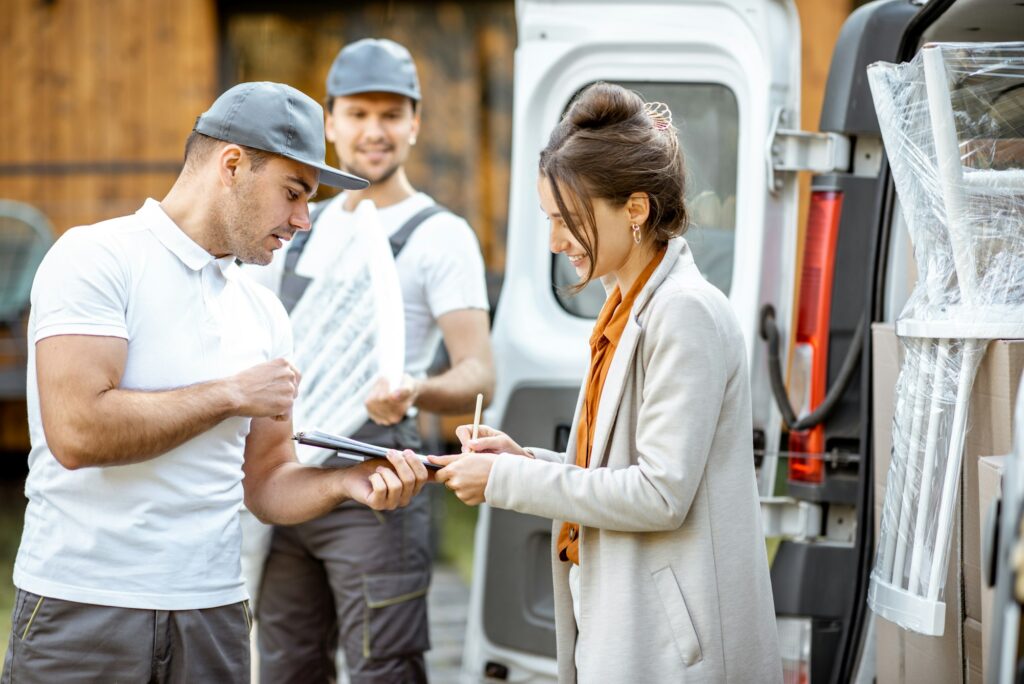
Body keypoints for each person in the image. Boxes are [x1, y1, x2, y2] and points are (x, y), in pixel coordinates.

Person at [2, 81, 430, 684]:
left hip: (214, 614)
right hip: (81, 607)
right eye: (293, 193)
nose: (303, 220)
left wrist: (348, 483)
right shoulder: (95, 258)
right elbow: (78, 433)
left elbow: (266, 482)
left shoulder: (263, 314)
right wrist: (231, 395)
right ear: (232, 165)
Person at [431, 83, 783, 682]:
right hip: (627, 619)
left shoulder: (684, 311)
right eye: (549, 219)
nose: (555, 241)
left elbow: (659, 493)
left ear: (636, 210)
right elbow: (614, 461)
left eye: (568, 220)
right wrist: (523, 457)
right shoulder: (625, 303)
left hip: (677, 646)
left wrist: (508, 479)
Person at [247, 39, 494, 683]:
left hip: (380, 480)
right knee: (284, 670)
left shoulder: (440, 234)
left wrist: (413, 389)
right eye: (357, 114)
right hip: (289, 480)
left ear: (415, 123)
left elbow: (479, 374)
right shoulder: (302, 223)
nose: (373, 131)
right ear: (330, 123)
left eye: (391, 115)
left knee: (383, 668)